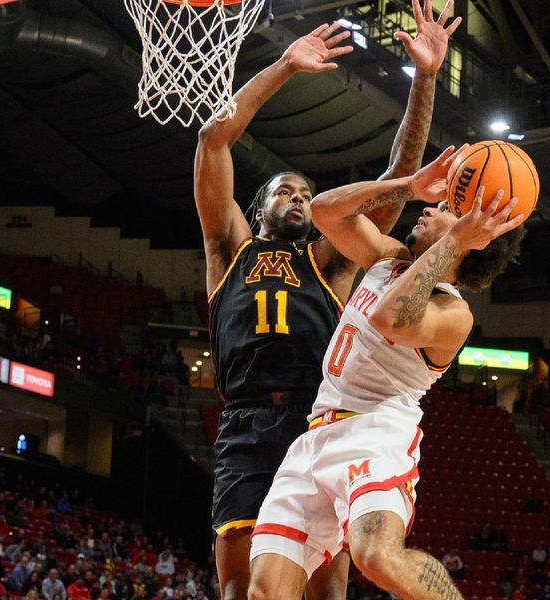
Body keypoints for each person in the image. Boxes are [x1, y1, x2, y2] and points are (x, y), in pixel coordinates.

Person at [195, 0, 460, 597]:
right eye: (283, 191)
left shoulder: (334, 260)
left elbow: (403, 170)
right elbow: (214, 141)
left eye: (305, 193)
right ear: (256, 206)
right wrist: (284, 66)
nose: (297, 198)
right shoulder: (227, 249)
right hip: (244, 422)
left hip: (315, 422)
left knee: (326, 590)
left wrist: (425, 79)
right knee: (242, 591)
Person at [248, 145, 526, 600]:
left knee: (375, 556)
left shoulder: (453, 312)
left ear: (474, 238)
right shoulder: (387, 258)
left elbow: (389, 319)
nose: (431, 208)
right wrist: (407, 185)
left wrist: (456, 241)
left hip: (376, 433)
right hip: (315, 435)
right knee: (264, 594)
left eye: (446, 211)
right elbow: (324, 212)